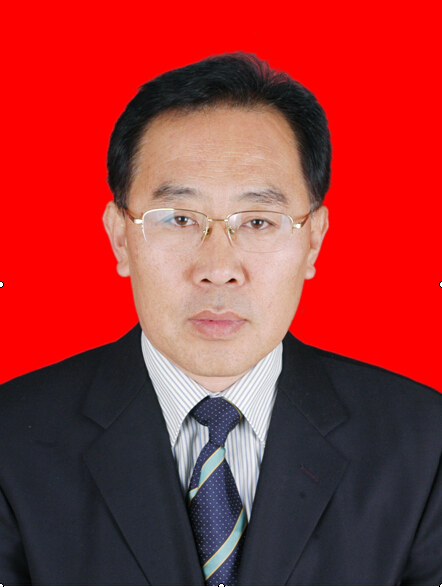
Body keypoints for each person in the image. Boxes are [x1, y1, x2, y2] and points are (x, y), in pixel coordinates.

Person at [0, 53, 441, 587]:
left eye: (258, 221)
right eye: (179, 218)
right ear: (119, 238)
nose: (218, 269)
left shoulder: (423, 444)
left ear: (313, 240)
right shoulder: (11, 441)